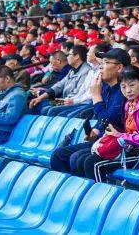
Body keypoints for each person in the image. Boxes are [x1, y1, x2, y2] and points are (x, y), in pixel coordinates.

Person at [80, 67, 139, 182]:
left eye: (132, 85)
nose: (128, 90)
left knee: (94, 165)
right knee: (85, 159)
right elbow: (129, 133)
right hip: (132, 148)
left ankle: (106, 194)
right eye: (123, 87)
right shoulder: (128, 103)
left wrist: (118, 135)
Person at [50, 49, 129, 177]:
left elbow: (109, 120)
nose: (101, 66)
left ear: (119, 67)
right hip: (103, 140)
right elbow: (102, 120)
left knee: (78, 158)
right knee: (58, 155)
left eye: (106, 62)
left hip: (118, 143)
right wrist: (96, 130)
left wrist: (96, 96)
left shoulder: (125, 90)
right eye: (101, 62)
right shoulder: (105, 87)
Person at [32, 45, 91, 115]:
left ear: (77, 56)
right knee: (40, 103)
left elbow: (77, 94)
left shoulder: (86, 71)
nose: (67, 57)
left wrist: (61, 101)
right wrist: (40, 97)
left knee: (49, 109)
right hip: (66, 100)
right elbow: (59, 85)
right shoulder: (72, 70)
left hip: (76, 103)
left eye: (69, 55)